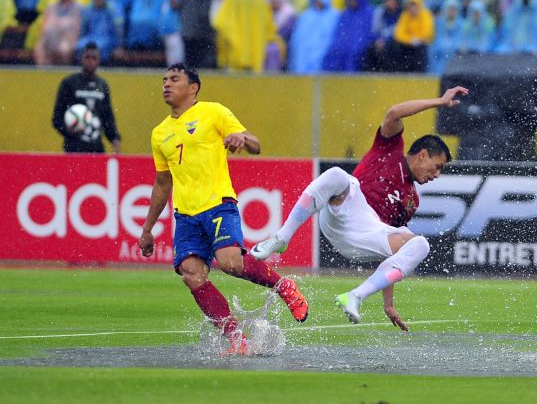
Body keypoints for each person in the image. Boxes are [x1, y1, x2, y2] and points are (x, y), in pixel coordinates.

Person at [251, 86, 469, 331]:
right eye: (437, 166)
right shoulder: (389, 150)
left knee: (419, 244)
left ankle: (356, 296)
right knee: (337, 176)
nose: (437, 175)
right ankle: (282, 238)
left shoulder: (412, 200)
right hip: (342, 212)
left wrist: (388, 303)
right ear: (423, 155)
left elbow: (396, 253)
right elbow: (394, 112)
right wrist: (439, 102)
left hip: (364, 237)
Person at [138, 63, 308, 355]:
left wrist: (241, 138)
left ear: (193, 88)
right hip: (186, 216)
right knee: (191, 274)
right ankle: (233, 335)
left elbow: (256, 144)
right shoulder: (159, 133)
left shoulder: (213, 112)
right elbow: (162, 183)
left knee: (230, 262)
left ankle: (283, 286)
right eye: (164, 79)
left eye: (174, 79)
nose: (166, 84)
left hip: (218, 205)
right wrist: (147, 228)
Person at [51, 42, 121, 153]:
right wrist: (67, 130)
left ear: (99, 60)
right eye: (87, 57)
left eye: (94, 58)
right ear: (81, 59)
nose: (90, 61)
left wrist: (114, 139)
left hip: (97, 149)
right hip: (73, 149)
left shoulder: (102, 85)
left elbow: (108, 117)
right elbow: (56, 118)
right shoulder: (69, 83)